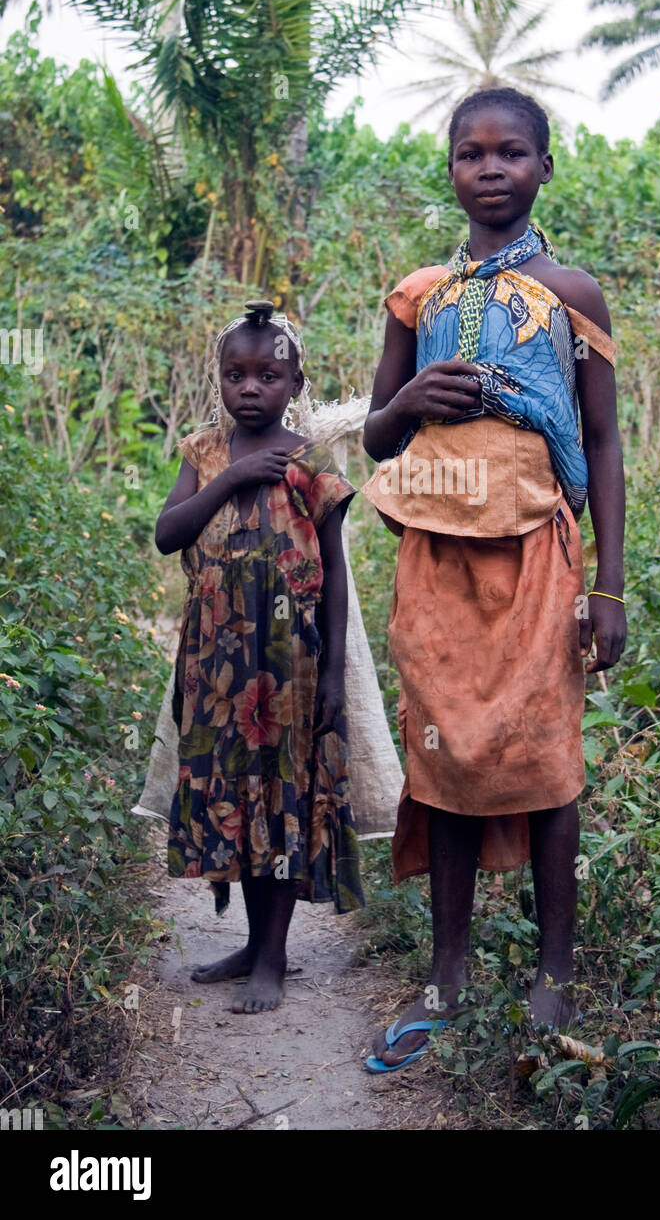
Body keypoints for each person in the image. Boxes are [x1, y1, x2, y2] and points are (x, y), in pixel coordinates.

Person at [361, 88, 626, 1070]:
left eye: (509, 152)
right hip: (434, 557)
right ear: (450, 171)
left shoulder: (572, 293)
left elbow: (599, 440)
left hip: (535, 555)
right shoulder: (418, 294)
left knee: (544, 750)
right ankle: (447, 973)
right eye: (468, 153)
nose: (488, 167)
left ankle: (551, 969)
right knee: (445, 756)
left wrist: (610, 584)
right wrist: (413, 396)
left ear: (542, 167)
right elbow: (379, 432)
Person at [155, 299, 363, 1015]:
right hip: (216, 667)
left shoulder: (308, 465)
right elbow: (167, 533)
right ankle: (251, 943)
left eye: (269, 375)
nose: (251, 388)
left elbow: (333, 576)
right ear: (218, 381)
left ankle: (273, 956)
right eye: (236, 374)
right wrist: (232, 480)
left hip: (289, 669)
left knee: (280, 802)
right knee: (237, 801)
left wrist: (334, 671)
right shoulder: (204, 453)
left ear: (297, 385)